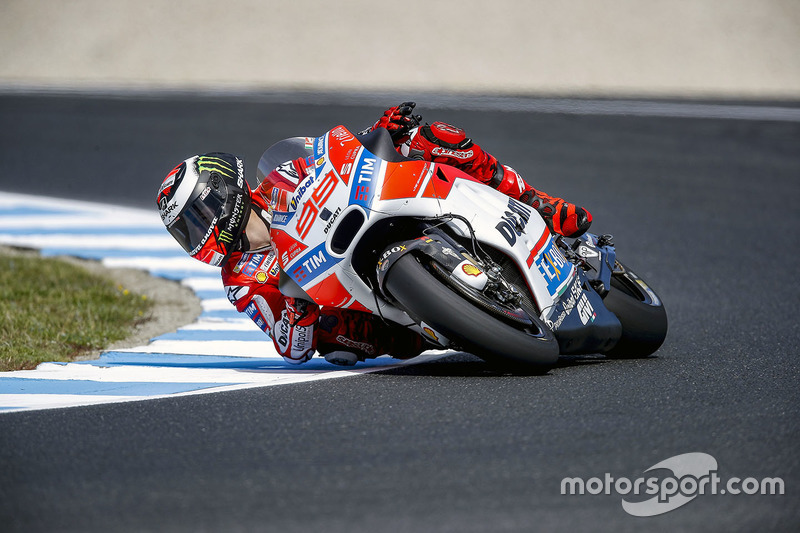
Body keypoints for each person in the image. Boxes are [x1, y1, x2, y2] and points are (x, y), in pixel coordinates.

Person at [156, 102, 592, 366]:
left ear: (223, 193)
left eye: (195, 219)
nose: (196, 235)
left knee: (435, 138)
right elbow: (289, 347)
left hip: (367, 219)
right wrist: (297, 315)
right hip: (359, 307)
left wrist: (379, 133)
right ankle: (434, 318)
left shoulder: (280, 176)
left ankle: (539, 205)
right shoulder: (240, 281)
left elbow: (337, 161)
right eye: (185, 231)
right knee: (336, 344)